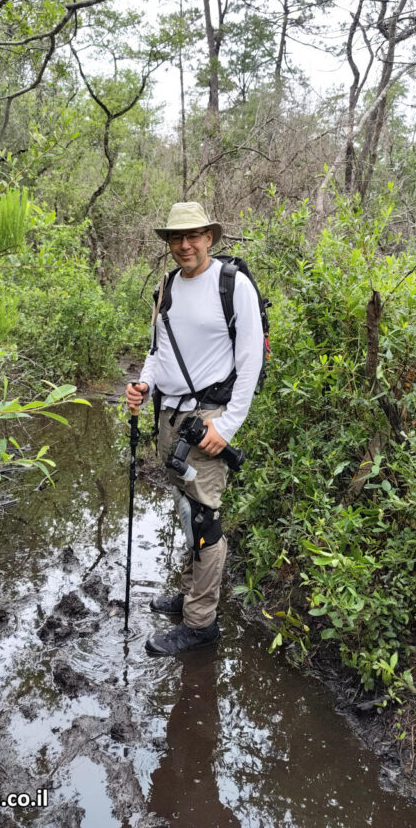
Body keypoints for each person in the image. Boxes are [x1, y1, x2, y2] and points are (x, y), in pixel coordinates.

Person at [125, 201, 264, 656]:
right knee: (188, 512)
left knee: (205, 519)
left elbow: (250, 361)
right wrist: (145, 383)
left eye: (194, 236)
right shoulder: (167, 285)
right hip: (169, 418)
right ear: (168, 242)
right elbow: (157, 348)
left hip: (207, 421)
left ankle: (201, 623)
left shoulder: (233, 285)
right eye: (176, 238)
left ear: (209, 237)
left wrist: (227, 426)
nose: (185, 246)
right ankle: (190, 598)